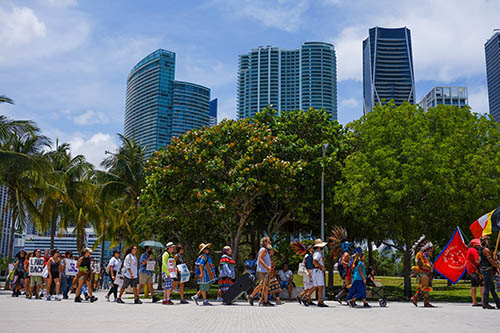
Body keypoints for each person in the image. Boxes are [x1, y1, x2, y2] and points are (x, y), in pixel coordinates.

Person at [248, 237, 273, 306]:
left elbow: (272, 254)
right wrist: (267, 267)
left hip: (266, 271)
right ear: (264, 242)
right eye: (268, 241)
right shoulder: (263, 250)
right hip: (262, 271)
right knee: (261, 285)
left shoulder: (267, 250)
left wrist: (271, 248)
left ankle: (265, 301)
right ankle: (251, 296)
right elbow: (260, 259)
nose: (270, 242)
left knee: (266, 286)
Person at [410, 235, 434, 307]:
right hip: (423, 273)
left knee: (422, 287)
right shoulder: (420, 255)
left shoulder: (427, 257)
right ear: (427, 249)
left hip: (426, 273)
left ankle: (415, 298)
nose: (431, 252)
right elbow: (419, 264)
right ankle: (425, 302)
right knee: (425, 288)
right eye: (431, 251)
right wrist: (416, 272)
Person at [479, 236, 500, 309]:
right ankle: (485, 303)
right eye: (488, 240)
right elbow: (490, 261)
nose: (489, 241)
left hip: (485, 269)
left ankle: (498, 303)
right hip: (487, 270)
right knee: (487, 287)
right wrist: (498, 266)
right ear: (485, 241)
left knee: (491, 288)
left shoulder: (481, 249)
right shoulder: (486, 250)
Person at [311, 239, 328, 307]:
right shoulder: (318, 253)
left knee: (317, 286)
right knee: (320, 286)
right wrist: (322, 267)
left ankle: (307, 296)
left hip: (316, 271)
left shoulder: (317, 253)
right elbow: (314, 262)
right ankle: (320, 301)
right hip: (318, 271)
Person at [466, 239, 483, 306]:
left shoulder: (470, 249)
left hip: (470, 269)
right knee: (482, 284)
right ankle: (483, 301)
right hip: (475, 270)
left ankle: (474, 301)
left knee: (474, 285)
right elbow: (477, 261)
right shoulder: (474, 251)